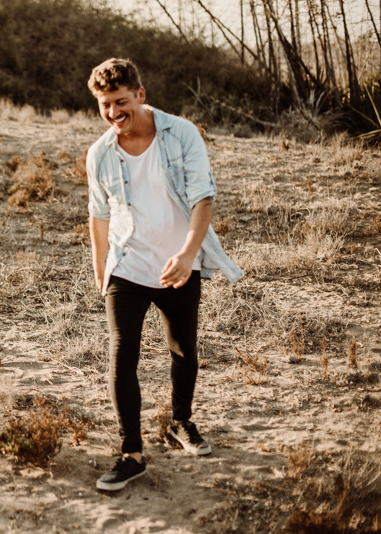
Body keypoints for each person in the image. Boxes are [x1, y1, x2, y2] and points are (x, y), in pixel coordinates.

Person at [85, 58, 242, 492]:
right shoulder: (100, 154)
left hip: (179, 263)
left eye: (120, 102)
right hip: (128, 266)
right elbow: (98, 216)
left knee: (183, 349)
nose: (114, 113)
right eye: (104, 105)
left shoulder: (181, 134)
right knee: (122, 356)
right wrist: (103, 272)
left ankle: (181, 422)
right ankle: (131, 452)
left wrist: (188, 255)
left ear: (140, 94)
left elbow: (203, 200)